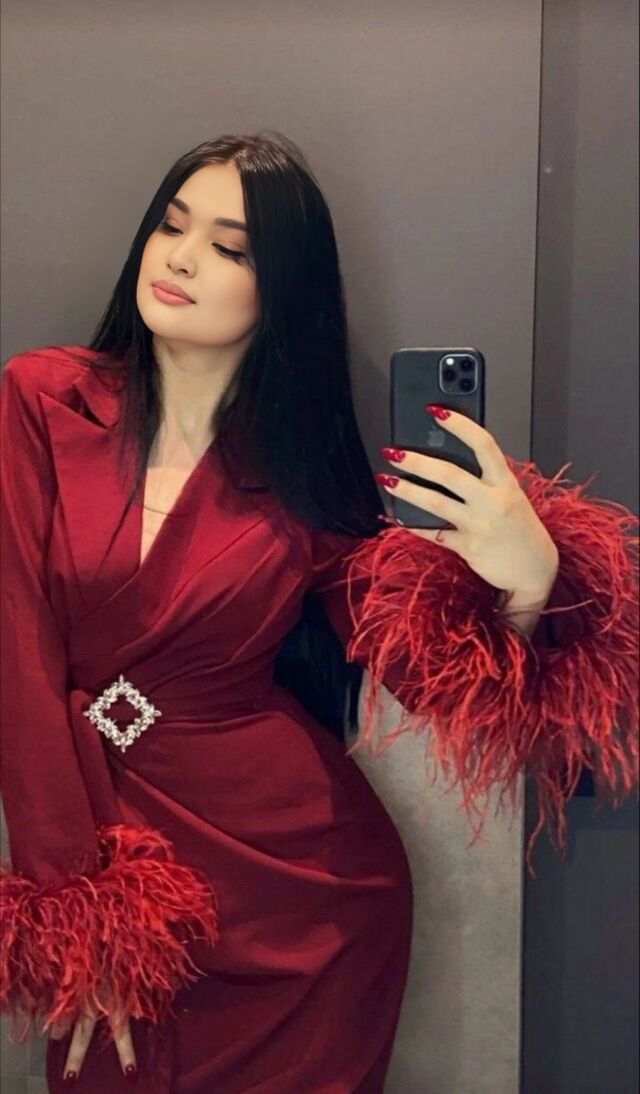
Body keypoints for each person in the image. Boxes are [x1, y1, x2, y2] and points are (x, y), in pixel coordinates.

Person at [1, 132, 638, 1094]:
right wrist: (74, 911)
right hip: (114, 877)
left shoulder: (306, 479)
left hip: (306, 901)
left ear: (283, 292)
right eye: (172, 226)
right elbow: (16, 653)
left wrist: (528, 579)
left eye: (230, 246)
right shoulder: (42, 401)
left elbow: (431, 680)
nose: (181, 258)